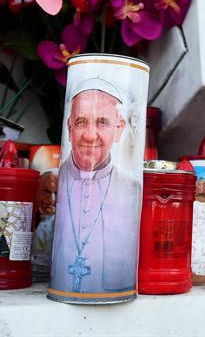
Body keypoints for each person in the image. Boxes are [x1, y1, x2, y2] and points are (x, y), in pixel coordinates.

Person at [50, 79, 140, 295]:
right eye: (81, 122)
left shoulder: (132, 188)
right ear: (70, 128)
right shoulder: (55, 181)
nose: (90, 135)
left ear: (119, 129)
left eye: (102, 122)